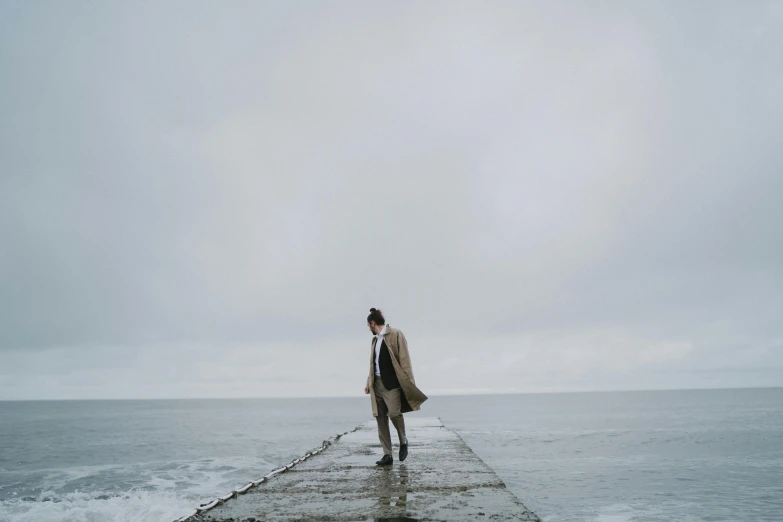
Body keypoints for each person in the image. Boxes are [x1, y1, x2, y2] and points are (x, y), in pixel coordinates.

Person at [363, 308, 428, 466]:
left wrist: (409, 382)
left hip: (392, 384)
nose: (368, 328)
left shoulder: (395, 334)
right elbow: (373, 364)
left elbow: (404, 359)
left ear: (373, 323)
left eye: (368, 325)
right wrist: (368, 383)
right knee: (380, 417)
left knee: (394, 413)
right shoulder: (375, 340)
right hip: (376, 383)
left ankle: (403, 440)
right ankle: (387, 454)